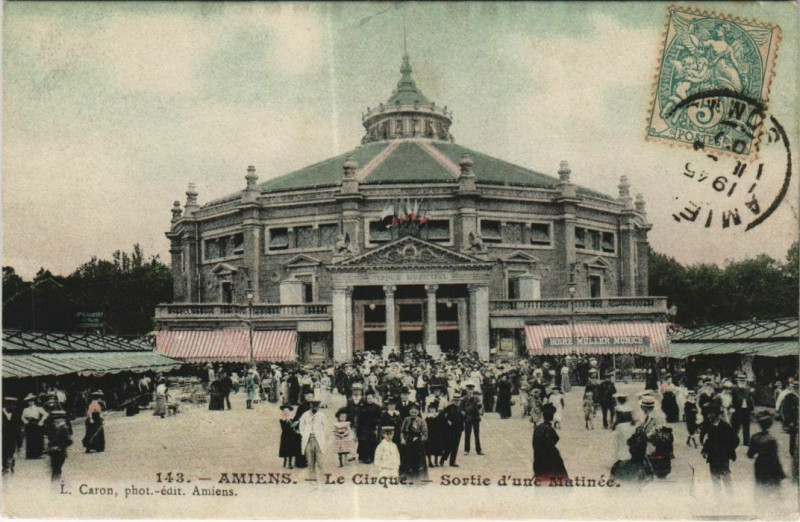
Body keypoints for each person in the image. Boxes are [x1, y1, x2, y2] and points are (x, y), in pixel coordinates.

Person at [701, 402, 739, 492]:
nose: (709, 416)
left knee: (726, 479)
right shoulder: (710, 426)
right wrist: (705, 450)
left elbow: (736, 440)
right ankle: (718, 500)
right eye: (708, 413)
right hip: (713, 457)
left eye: (711, 413)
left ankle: (731, 499)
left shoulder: (725, 426)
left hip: (723, 457)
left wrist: (728, 450)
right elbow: (709, 440)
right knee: (715, 479)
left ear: (717, 415)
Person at [747, 410, 785, 496]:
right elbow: (775, 458)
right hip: (771, 465)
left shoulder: (754, 437)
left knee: (760, 488)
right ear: (770, 425)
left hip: (759, 464)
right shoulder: (772, 439)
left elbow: (750, 455)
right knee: (773, 490)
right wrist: (781, 472)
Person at [532, 403, 568, 482]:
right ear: (551, 416)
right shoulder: (549, 429)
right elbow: (553, 441)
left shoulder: (538, 428)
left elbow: (534, 444)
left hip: (538, 459)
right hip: (549, 460)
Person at [298, 399, 327, 479]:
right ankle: (312, 476)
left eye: (316, 406)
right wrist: (304, 434)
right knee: (310, 460)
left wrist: (322, 436)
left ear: (318, 406)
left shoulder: (321, 415)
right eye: (313, 405)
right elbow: (301, 426)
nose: (314, 407)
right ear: (310, 406)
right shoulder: (305, 415)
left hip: (318, 440)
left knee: (320, 459)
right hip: (308, 439)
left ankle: (323, 477)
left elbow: (325, 427)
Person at [399, 403, 428, 479]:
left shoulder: (422, 421)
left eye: (415, 413)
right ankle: (405, 476)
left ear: (418, 412)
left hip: (417, 445)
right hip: (407, 442)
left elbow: (425, 435)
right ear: (409, 412)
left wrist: (418, 439)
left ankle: (416, 476)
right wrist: (402, 439)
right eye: (412, 412)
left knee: (416, 462)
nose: (413, 414)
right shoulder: (406, 419)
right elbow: (402, 431)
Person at [46, 410, 72, 483]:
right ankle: (55, 483)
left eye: (56, 419)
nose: (54, 421)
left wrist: (59, 447)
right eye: (53, 419)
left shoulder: (63, 428)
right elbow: (50, 438)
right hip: (53, 452)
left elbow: (69, 441)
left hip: (60, 452)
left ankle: (55, 484)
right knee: (54, 469)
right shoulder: (53, 428)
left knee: (56, 469)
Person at [356, 392, 382, 464]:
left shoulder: (377, 407)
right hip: (363, 427)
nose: (369, 400)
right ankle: (365, 457)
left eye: (371, 398)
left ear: (373, 399)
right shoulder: (362, 407)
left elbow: (379, 418)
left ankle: (371, 456)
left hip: (372, 427)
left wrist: (375, 423)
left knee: (372, 441)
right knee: (364, 441)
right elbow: (359, 418)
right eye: (368, 398)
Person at [440, 392, 465, 467]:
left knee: (456, 446)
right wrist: (447, 421)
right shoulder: (449, 407)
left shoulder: (461, 408)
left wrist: (464, 415)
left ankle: (452, 462)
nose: (457, 401)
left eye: (458, 400)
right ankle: (443, 459)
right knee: (449, 445)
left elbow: (464, 419)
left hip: (458, 429)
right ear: (453, 400)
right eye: (455, 400)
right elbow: (442, 416)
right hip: (450, 429)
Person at [21, 393, 48, 459]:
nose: (30, 403)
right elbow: (22, 417)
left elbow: (46, 414)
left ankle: (38, 454)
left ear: (34, 401)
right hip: (29, 424)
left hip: (36, 424)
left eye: (31, 401)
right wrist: (25, 421)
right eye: (29, 401)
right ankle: (30, 454)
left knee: (37, 438)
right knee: (30, 439)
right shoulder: (25, 410)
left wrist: (41, 421)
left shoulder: (38, 408)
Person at [611, 393, 635, 464]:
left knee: (619, 443)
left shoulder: (618, 408)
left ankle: (619, 458)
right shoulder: (630, 407)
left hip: (621, 427)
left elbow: (618, 419)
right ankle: (628, 457)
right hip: (628, 426)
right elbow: (632, 419)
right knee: (627, 443)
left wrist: (613, 425)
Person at [460, 384, 483, 456]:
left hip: (475, 418)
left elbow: (481, 408)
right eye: (468, 390)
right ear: (466, 390)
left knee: (477, 434)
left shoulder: (477, 398)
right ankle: (466, 450)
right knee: (467, 434)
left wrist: (480, 407)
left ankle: (478, 450)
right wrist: (463, 413)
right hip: (468, 418)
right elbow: (461, 408)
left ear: (473, 390)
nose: (470, 391)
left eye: (471, 390)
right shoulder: (464, 399)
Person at [731, 373, 754, 446]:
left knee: (746, 426)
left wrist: (751, 408)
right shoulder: (734, 388)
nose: (742, 381)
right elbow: (731, 398)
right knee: (736, 426)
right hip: (737, 409)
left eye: (743, 380)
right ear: (737, 381)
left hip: (746, 409)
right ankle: (733, 442)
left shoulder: (748, 388)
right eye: (740, 380)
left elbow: (751, 399)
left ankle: (746, 442)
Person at [2, 397, 21, 475]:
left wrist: (19, 440)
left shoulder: (15, 414)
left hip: (12, 436)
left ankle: (10, 465)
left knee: (11, 450)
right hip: (3, 436)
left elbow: (18, 427)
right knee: (3, 451)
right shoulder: (2, 413)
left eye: (14, 405)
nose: (13, 407)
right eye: (11, 405)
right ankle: (4, 466)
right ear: (7, 405)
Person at [279, 405, 300, 469]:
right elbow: (284, 428)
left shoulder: (292, 419)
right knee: (285, 448)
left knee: (291, 448)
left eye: (287, 411)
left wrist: (296, 428)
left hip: (291, 436)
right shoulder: (282, 420)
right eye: (285, 411)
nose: (286, 412)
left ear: (289, 411)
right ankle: (285, 461)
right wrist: (292, 426)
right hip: (285, 435)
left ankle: (290, 463)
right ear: (283, 412)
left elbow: (296, 426)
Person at [424, 403, 444, 468]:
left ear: (436, 409)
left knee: (436, 448)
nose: (432, 410)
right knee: (429, 448)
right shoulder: (427, 417)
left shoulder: (438, 416)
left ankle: (436, 461)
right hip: (429, 434)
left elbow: (441, 425)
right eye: (431, 409)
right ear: (429, 409)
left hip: (437, 434)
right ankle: (430, 462)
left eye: (433, 409)